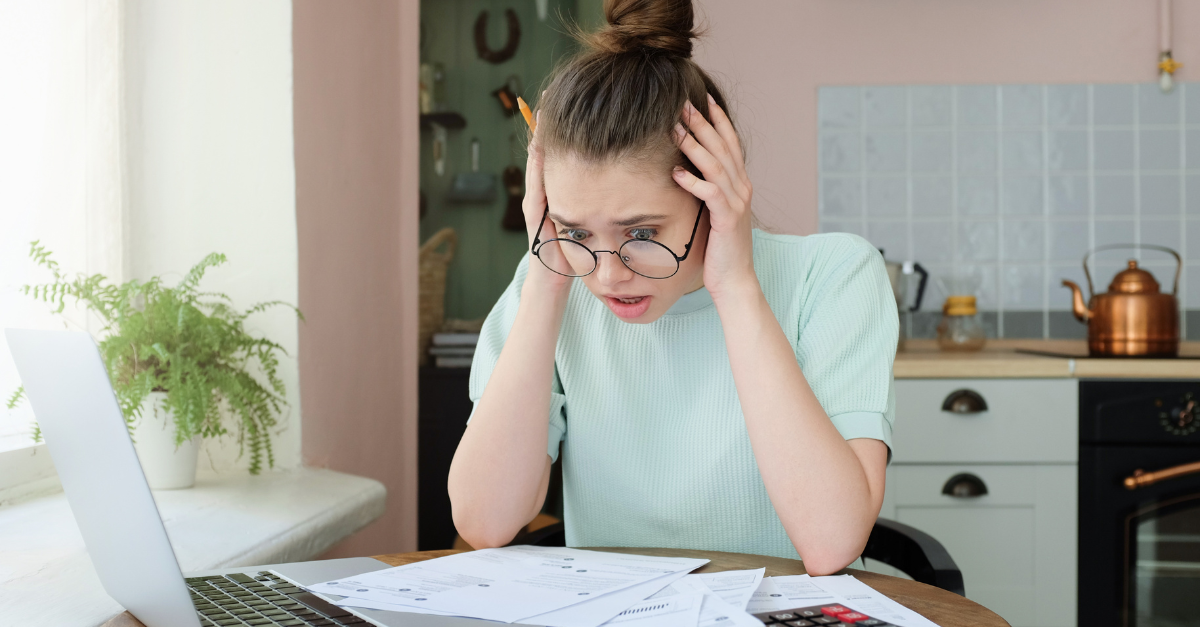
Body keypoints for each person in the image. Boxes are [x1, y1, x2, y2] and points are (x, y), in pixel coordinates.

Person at [447, 0, 896, 575]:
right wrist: (547, 281)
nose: (608, 274)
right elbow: (484, 522)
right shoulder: (555, 277)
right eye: (576, 228)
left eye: (641, 232)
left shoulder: (834, 276)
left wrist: (735, 288)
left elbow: (831, 542)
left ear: (714, 193)